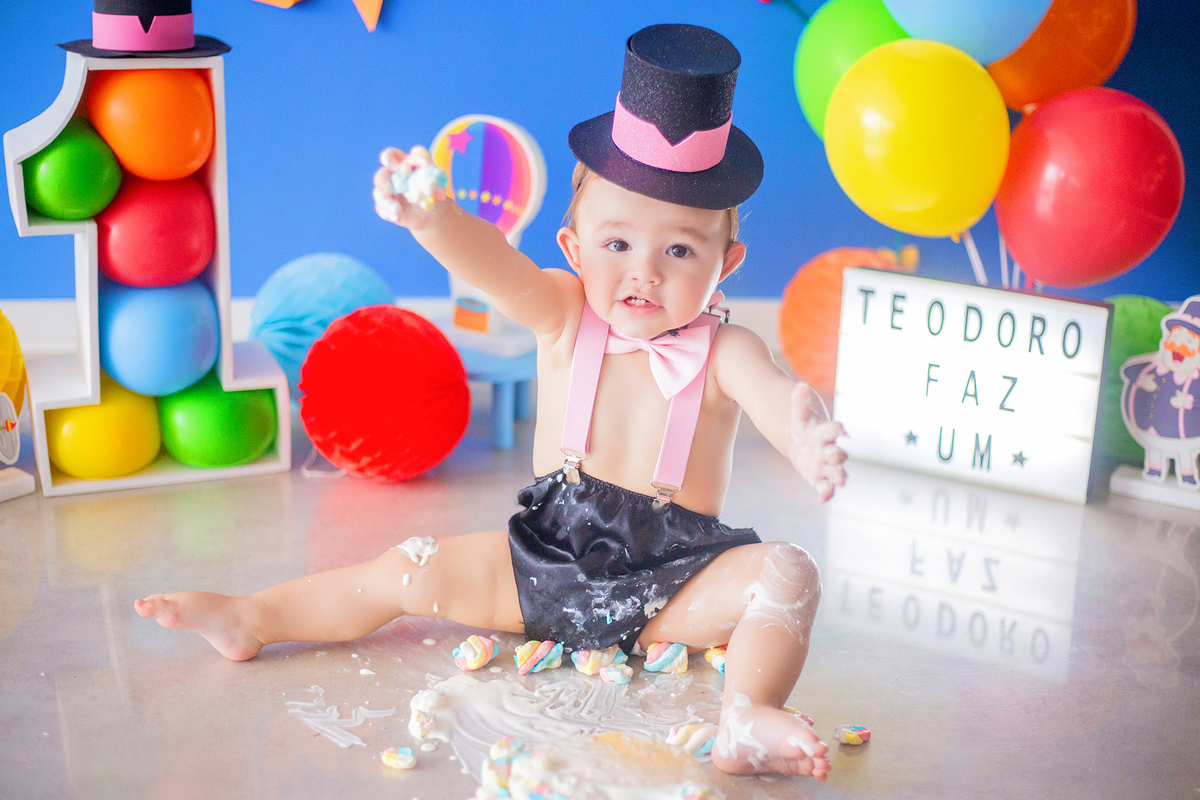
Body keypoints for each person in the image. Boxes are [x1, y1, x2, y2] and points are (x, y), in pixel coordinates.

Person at [136, 24, 846, 780]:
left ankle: (744, 716)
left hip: (672, 585)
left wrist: (804, 432)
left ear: (725, 264)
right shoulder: (565, 313)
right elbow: (498, 269)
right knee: (405, 569)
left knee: (790, 572)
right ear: (574, 249)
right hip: (545, 560)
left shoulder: (726, 349)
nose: (645, 272)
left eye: (679, 250)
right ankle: (253, 617)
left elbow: (775, 396)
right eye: (617, 245)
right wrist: (433, 218)